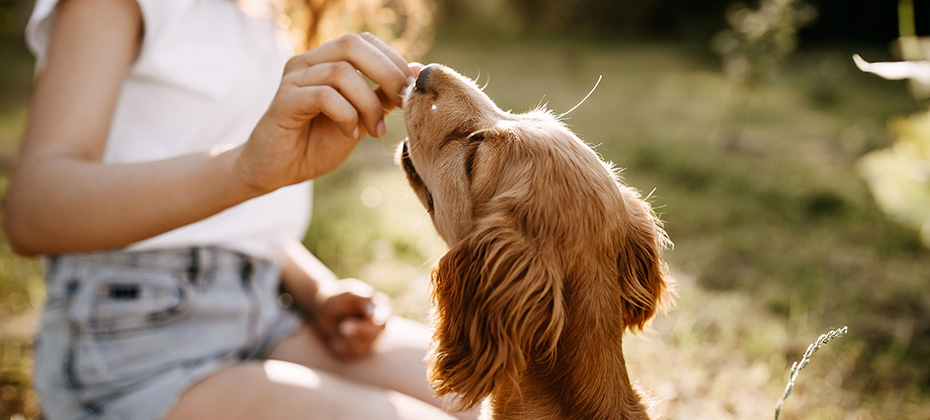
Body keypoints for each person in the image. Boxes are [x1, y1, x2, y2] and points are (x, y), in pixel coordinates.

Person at [3, 0, 477, 419]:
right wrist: (245, 170)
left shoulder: (264, 12)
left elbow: (232, 224)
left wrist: (317, 291)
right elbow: (33, 211)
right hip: (131, 346)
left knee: (503, 398)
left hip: (267, 310)